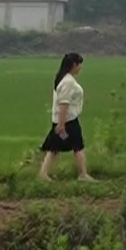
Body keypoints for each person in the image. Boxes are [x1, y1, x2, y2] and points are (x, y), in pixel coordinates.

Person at [38, 52, 94, 182]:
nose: (81, 67)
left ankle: (43, 174)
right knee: (77, 147)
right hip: (67, 120)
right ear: (74, 65)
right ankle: (83, 174)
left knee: (55, 148)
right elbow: (64, 103)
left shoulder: (63, 79)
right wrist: (61, 124)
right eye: (80, 64)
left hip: (64, 119)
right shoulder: (68, 82)